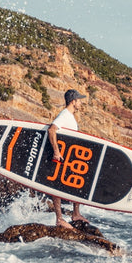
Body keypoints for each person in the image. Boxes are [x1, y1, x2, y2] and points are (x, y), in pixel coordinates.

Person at [48, 89, 89, 229]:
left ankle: (76, 213)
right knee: (56, 186)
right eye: (79, 100)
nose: (81, 103)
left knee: (77, 182)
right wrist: (56, 152)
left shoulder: (70, 116)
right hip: (60, 157)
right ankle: (59, 219)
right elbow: (52, 130)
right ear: (73, 101)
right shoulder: (64, 115)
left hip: (70, 158)